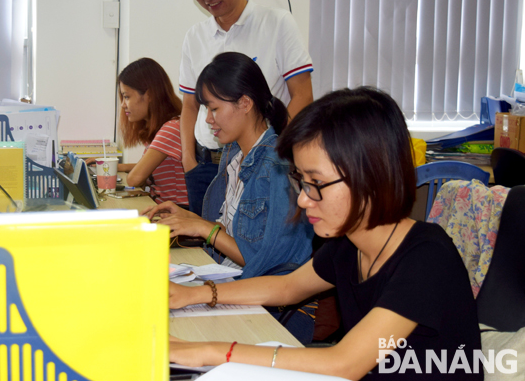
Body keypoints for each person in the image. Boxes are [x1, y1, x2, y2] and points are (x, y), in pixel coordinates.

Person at [167, 87, 483, 380]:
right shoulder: (351, 244)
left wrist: (213, 351)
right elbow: (287, 287)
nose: (303, 199)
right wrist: (194, 294)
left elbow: (343, 363)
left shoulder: (427, 258)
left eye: (315, 183)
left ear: (371, 177)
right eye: (301, 180)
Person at [144, 52, 315, 342]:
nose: (208, 120)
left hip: (267, 311)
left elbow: (264, 262)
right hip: (231, 286)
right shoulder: (234, 155)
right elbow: (229, 231)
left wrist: (202, 228)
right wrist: (189, 219)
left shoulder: (277, 167)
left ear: (245, 103)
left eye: (213, 109)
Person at [179, 0, 314, 216]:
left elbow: (303, 95)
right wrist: (188, 161)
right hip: (206, 166)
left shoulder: (277, 24)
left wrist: (275, 151)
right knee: (204, 251)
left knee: (254, 250)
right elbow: (190, 105)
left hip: (263, 164)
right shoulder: (195, 37)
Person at [114, 58, 188, 207]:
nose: (123, 105)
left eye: (126, 97)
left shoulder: (171, 129)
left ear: (149, 95)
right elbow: (149, 165)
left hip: (177, 214)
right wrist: (116, 166)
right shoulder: (162, 127)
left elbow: (135, 179)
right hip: (163, 209)